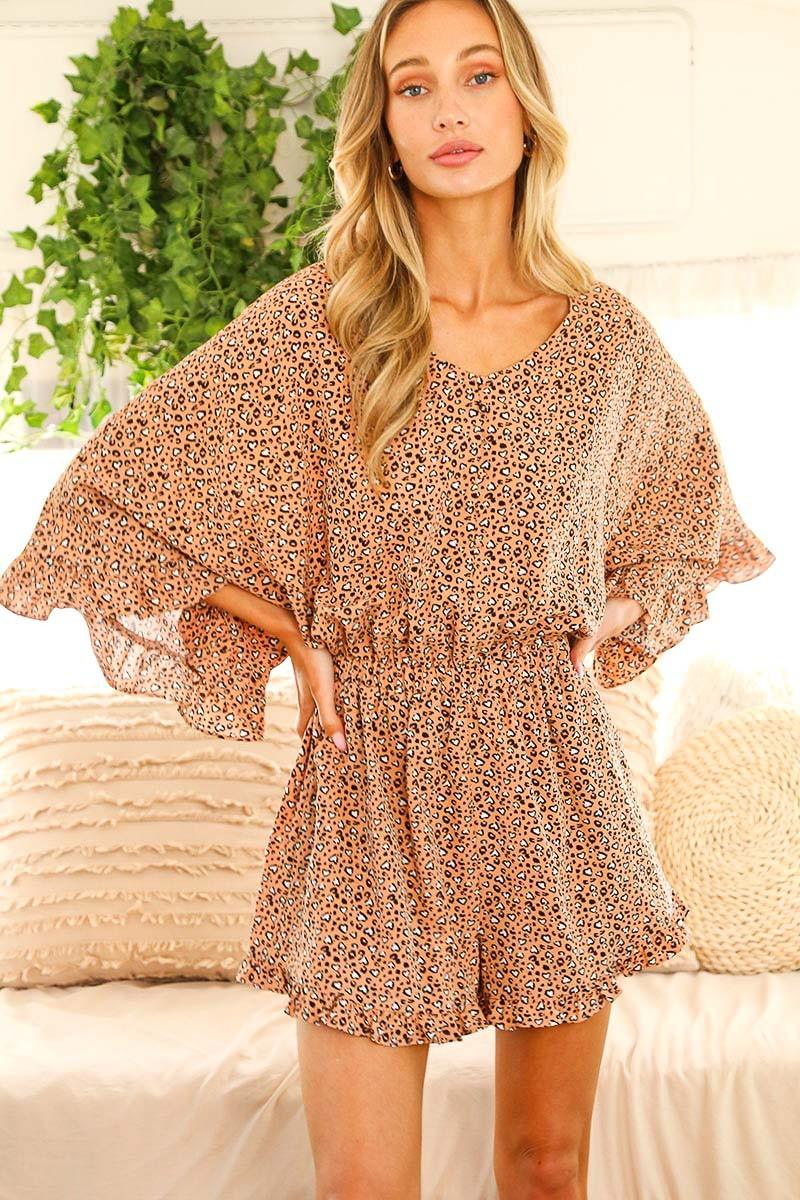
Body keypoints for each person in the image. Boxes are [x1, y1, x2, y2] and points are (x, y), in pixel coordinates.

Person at [0, 1, 776, 1197]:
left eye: (477, 76)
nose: (448, 109)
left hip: (547, 770)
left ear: (525, 111)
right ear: (385, 127)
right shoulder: (321, 326)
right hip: (368, 772)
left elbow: (687, 528)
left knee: (545, 1166)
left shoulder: (606, 344)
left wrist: (611, 618)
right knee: (362, 1186)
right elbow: (110, 496)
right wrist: (288, 634)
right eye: (413, 86)